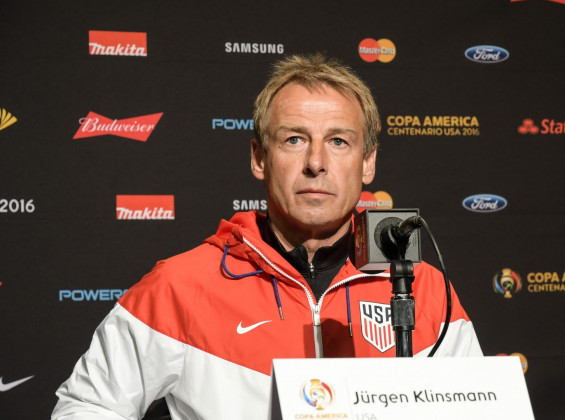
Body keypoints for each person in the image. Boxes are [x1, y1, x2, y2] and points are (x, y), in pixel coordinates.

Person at [51, 53, 482, 420]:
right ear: (259, 157)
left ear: (367, 162)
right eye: (294, 139)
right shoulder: (182, 286)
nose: (316, 163)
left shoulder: (424, 288)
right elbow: (85, 408)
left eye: (338, 141)